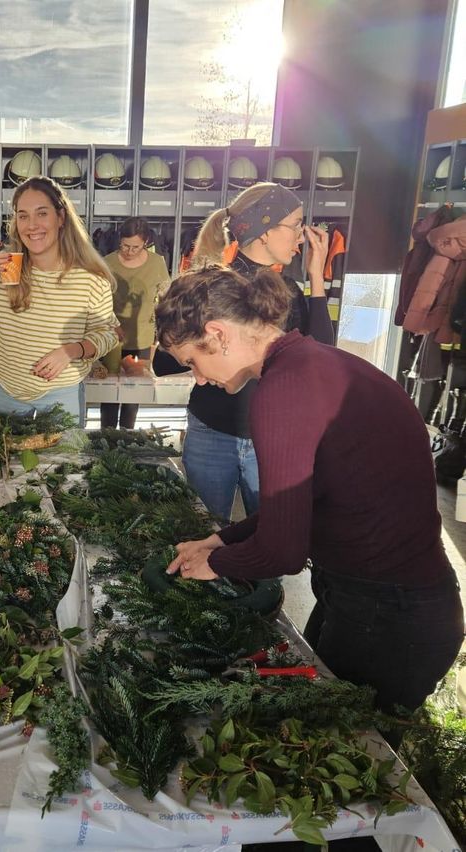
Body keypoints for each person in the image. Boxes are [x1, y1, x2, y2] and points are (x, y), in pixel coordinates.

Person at [157, 264, 464, 718]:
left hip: (389, 617)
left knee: (342, 747)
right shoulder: (316, 361)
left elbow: (282, 552)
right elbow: (308, 498)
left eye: (191, 363)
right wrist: (221, 538)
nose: (199, 379)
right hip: (386, 600)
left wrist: (214, 565)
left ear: (218, 333)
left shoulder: (282, 391)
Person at [155, 183, 332, 523]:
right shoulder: (214, 286)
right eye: (296, 224)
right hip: (212, 430)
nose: (302, 236)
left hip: (271, 436)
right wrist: (199, 352)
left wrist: (316, 276)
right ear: (265, 230)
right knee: (203, 532)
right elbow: (163, 362)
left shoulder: (289, 290)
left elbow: (321, 353)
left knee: (268, 535)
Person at [0, 175, 118, 426]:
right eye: (23, 215)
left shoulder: (91, 278)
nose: (32, 225)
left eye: (42, 213)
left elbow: (108, 333)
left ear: (61, 218)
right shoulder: (7, 270)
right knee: (4, 463)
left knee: (63, 464)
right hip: (7, 392)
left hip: (63, 392)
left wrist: (71, 351)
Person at [100, 217, 170, 430]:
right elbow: (97, 299)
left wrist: (161, 333)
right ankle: (107, 436)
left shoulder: (157, 263)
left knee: (133, 392)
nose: (129, 251)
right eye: (125, 245)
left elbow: (165, 297)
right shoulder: (108, 262)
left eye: (135, 247)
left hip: (142, 336)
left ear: (146, 242)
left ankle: (127, 436)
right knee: (109, 393)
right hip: (112, 336)